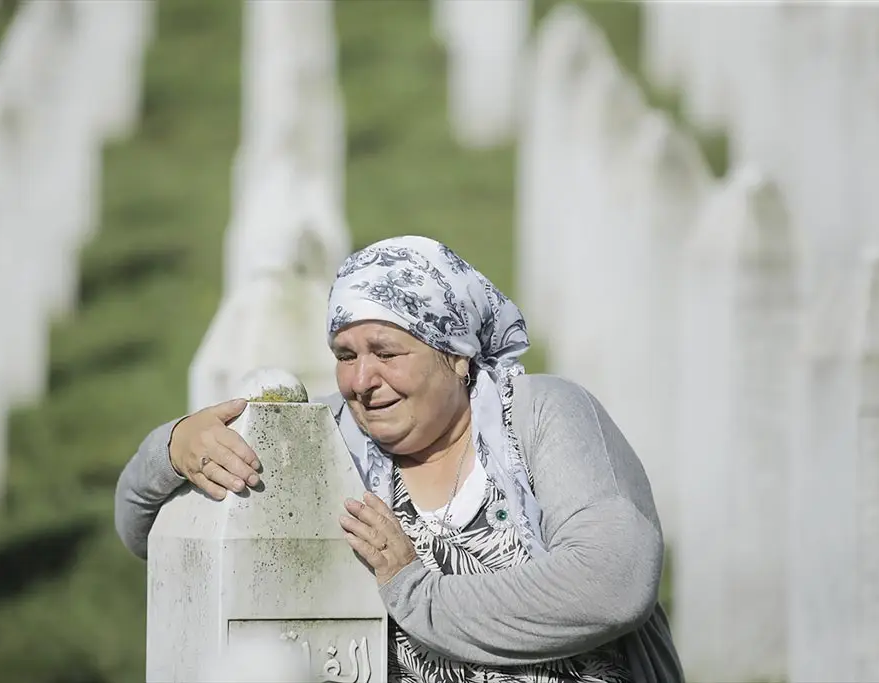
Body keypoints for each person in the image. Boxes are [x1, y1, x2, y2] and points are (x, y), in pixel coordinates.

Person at [115, 235, 684, 682]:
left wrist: (416, 591)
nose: (362, 380)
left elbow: (615, 581)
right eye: (345, 354)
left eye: (387, 352)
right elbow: (156, 541)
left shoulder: (542, 415)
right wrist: (171, 449)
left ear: (455, 355)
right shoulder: (325, 441)